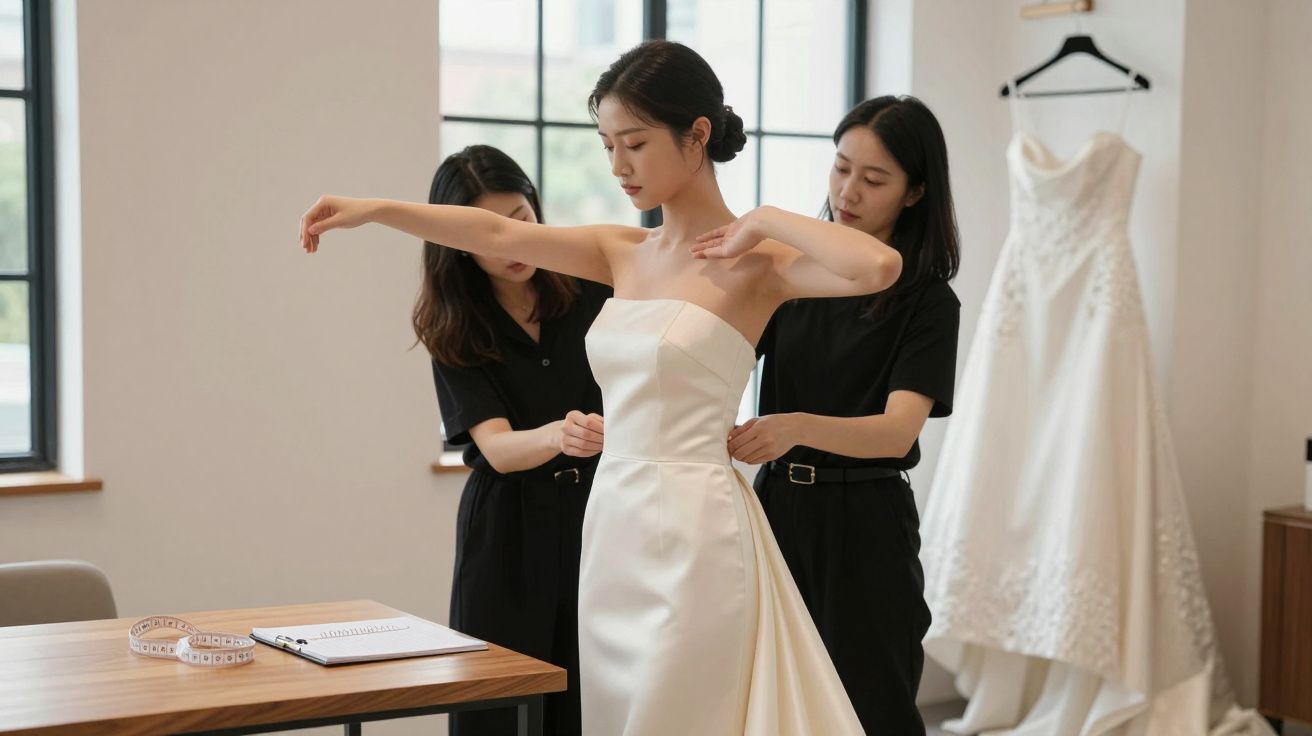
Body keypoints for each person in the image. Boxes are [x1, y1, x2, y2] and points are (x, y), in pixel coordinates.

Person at [299, 40, 901, 736]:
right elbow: (493, 228)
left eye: (636, 144)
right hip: (614, 522)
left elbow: (879, 266)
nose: (618, 166)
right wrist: (375, 210)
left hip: (698, 529)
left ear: (697, 135)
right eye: (608, 144)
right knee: (615, 713)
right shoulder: (624, 251)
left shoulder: (759, 262)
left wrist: (761, 219)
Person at [733, 96, 961, 735]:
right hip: (774, 510)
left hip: (866, 523)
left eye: (874, 178)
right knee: (772, 704)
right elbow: (722, 361)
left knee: (872, 706)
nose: (848, 191)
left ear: (915, 192)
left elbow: (897, 431)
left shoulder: (928, 301)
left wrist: (795, 427)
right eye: (840, 168)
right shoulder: (789, 277)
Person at [418, 145, 609, 736]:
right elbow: (496, 449)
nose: (508, 243)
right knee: (498, 708)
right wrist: (560, 433)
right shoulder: (452, 325)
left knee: (591, 698)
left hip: (596, 520)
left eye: (519, 220)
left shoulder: (590, 289)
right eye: (485, 233)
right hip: (506, 532)